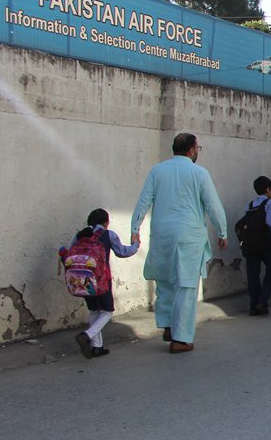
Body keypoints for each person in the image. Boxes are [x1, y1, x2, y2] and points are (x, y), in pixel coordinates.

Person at [130, 132, 227, 354]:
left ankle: (168, 324)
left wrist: (135, 229)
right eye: (198, 148)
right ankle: (181, 338)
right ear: (191, 150)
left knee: (164, 281)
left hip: (161, 234)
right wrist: (222, 232)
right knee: (186, 286)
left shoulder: (157, 171)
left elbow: (144, 200)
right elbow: (213, 206)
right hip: (189, 236)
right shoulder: (199, 173)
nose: (198, 152)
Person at [65, 208, 140, 359]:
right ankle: (87, 335)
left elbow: (69, 253)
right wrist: (135, 245)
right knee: (107, 311)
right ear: (106, 222)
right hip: (102, 280)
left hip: (84, 281)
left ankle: (97, 347)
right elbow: (122, 252)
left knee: (94, 311)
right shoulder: (108, 235)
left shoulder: (80, 235)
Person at [245, 176, 271, 316]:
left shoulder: (250, 205)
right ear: (268, 189)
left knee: (253, 275)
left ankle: (253, 307)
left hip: (251, 244)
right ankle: (262, 301)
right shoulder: (270, 203)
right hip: (266, 243)